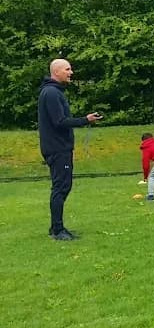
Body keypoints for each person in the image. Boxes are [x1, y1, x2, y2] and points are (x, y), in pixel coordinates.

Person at [38, 59, 103, 240]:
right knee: (61, 187)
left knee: (62, 186)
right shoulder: (51, 93)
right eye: (67, 69)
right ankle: (58, 230)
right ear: (56, 72)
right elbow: (59, 122)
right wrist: (85, 120)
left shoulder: (54, 92)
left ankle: (56, 227)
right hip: (57, 148)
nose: (71, 72)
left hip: (60, 147)